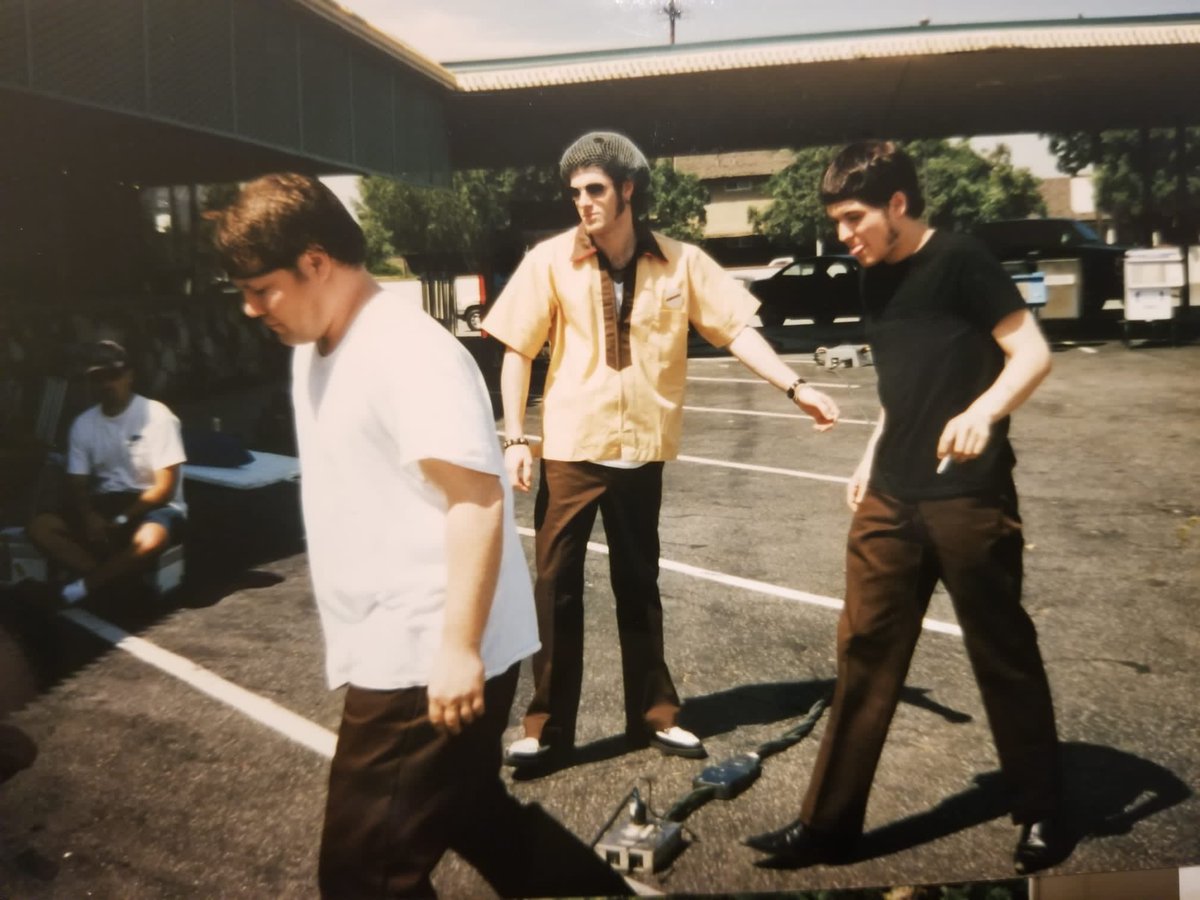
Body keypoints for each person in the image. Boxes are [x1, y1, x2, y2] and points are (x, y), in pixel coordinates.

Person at [211, 174, 631, 899]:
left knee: (364, 875)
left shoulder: (405, 352)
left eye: (261, 289)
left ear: (315, 262)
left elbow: (475, 500)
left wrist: (458, 649)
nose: (251, 309)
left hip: (424, 653)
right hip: (406, 641)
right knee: (467, 813)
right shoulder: (315, 348)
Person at [743, 141, 1066, 874]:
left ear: (898, 204)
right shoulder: (873, 281)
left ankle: (1043, 810)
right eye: (836, 222)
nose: (845, 236)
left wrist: (985, 412)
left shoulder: (963, 262)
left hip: (968, 497)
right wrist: (867, 458)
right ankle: (826, 829)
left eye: (854, 218)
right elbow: (902, 393)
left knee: (1002, 655)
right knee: (863, 654)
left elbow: (1033, 354)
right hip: (892, 496)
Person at [483, 131, 840, 769]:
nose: (583, 203)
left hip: (642, 453)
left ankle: (656, 716)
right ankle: (544, 728)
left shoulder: (682, 263)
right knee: (556, 589)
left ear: (627, 190)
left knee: (639, 586)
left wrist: (797, 386)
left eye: (595, 190)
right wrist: (514, 436)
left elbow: (737, 330)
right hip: (572, 449)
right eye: (575, 193)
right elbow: (517, 350)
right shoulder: (548, 262)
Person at [27, 340, 186, 605]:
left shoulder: (158, 416)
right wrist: (89, 516)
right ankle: (117, 581)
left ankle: (77, 589)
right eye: (97, 377)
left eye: (113, 375)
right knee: (40, 527)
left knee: (150, 540)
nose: (106, 385)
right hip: (106, 502)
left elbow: (164, 487)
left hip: (154, 505)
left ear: (129, 375)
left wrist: (122, 519)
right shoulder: (82, 424)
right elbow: (77, 482)